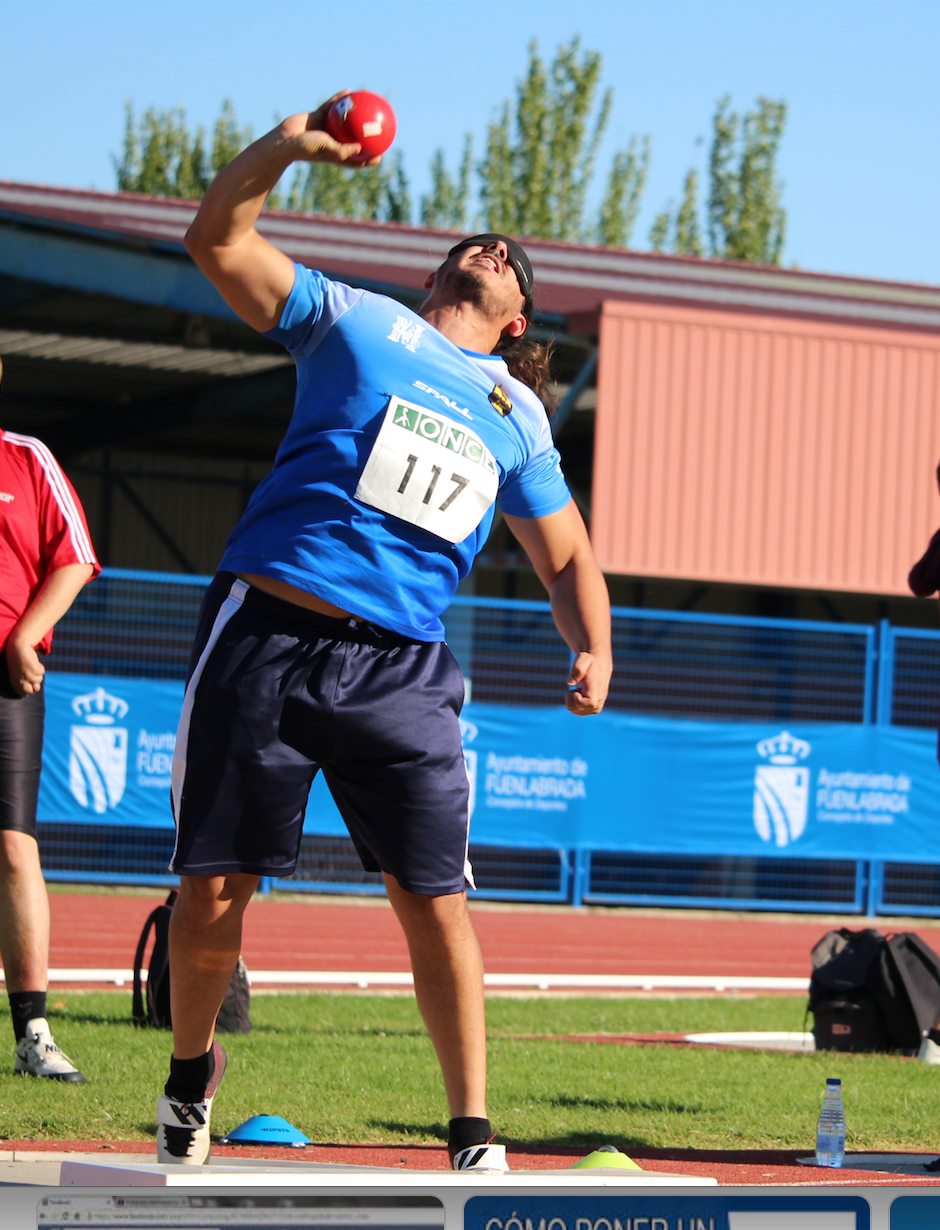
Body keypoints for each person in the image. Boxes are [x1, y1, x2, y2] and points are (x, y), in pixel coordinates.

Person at [158, 95, 613, 1172]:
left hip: (401, 668)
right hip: (268, 634)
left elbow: (566, 558)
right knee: (214, 888)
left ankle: (471, 1132)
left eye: (514, 263)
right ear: (438, 273)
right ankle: (188, 1077)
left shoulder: (517, 415)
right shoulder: (356, 319)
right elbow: (216, 238)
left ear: (518, 322)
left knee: (436, 901)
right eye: (480, 244)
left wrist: (593, 644)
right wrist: (288, 147)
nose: (496, 252)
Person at [0, 355, 100, 1081]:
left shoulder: (28, 459)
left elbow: (76, 559)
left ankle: (32, 1033)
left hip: (6, 679)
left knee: (13, 848)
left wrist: (23, 637)